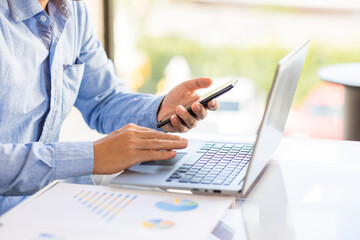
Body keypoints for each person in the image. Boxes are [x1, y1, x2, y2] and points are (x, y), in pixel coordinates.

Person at [0, 0, 219, 215]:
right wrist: (92, 156)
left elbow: (103, 98)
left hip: (46, 199)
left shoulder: (72, 10)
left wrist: (160, 110)